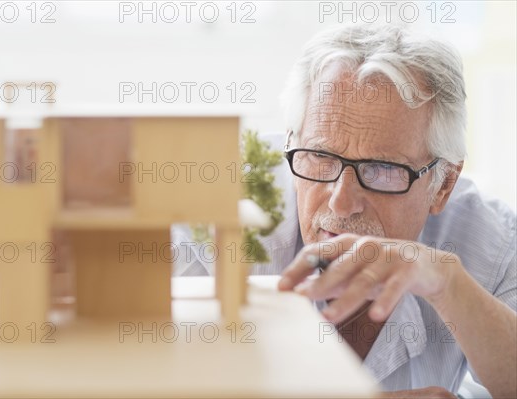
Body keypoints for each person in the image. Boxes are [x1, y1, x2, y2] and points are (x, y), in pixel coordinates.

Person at [173, 24, 516, 398]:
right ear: (293, 142)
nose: (341, 201)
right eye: (320, 156)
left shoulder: (495, 244)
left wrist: (450, 285)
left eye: (382, 169)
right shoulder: (216, 213)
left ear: (443, 184)